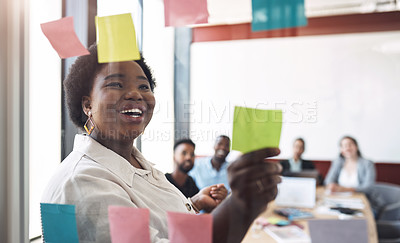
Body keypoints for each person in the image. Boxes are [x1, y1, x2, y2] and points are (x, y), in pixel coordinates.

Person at [41, 43, 282, 243]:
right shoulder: (83, 182)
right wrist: (240, 206)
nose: (136, 94)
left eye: (144, 86)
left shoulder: (137, 164)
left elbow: (160, 224)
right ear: (87, 105)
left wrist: (192, 203)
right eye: (116, 84)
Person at [165, 138, 227, 211]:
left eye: (192, 154)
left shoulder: (191, 182)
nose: (188, 157)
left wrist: (217, 197)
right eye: (184, 153)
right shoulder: (164, 181)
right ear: (174, 157)